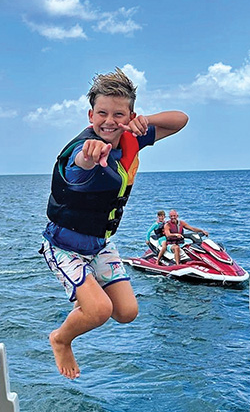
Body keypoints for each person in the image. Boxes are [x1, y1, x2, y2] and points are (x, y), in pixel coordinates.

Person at [40, 68, 188, 379]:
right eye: (102, 113)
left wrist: (143, 122)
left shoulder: (132, 136)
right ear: (90, 114)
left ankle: (79, 316)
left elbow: (180, 119)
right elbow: (81, 160)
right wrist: (90, 154)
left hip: (100, 244)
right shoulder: (82, 150)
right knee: (99, 311)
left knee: (127, 312)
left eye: (118, 114)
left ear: (130, 115)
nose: (109, 121)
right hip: (64, 246)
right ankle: (61, 339)